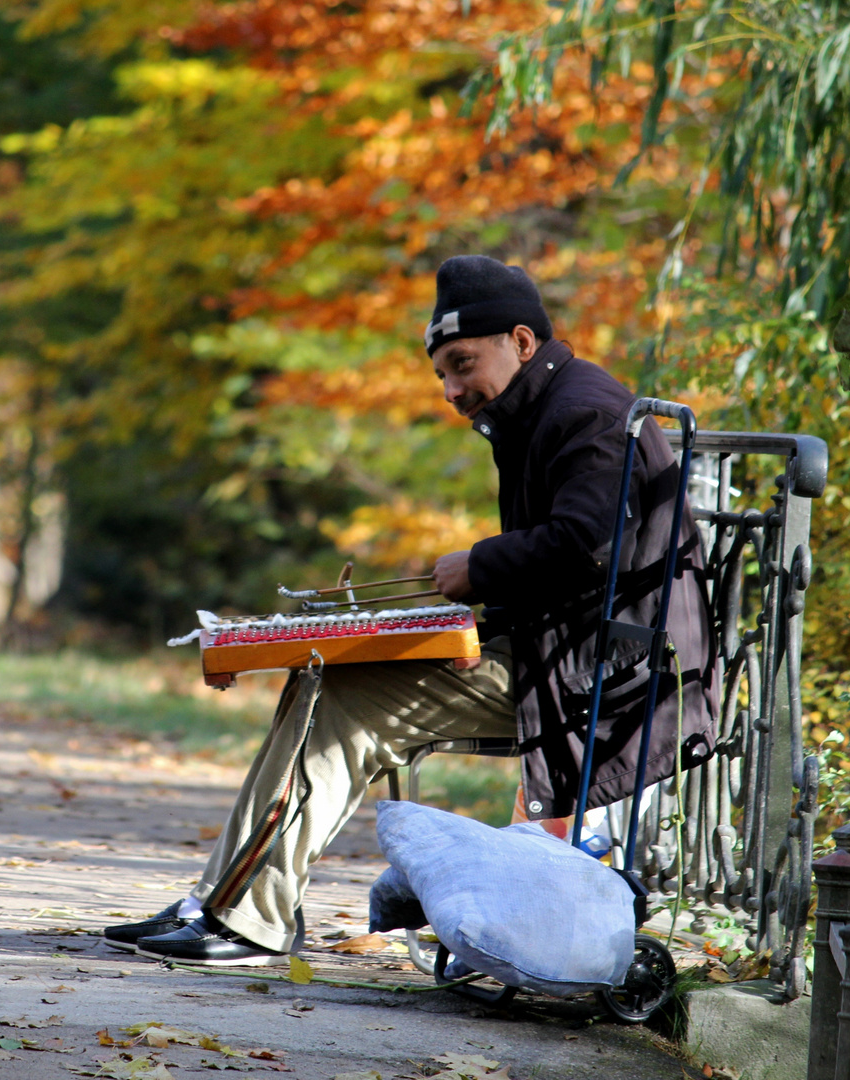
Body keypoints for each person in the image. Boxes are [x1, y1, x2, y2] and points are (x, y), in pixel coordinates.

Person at [104, 255, 718, 966]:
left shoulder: (584, 411)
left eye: (463, 364)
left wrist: (479, 565)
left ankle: (244, 918)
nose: (454, 390)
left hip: (603, 682)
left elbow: (588, 544)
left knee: (347, 696)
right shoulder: (543, 408)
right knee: (320, 672)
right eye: (442, 375)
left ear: (522, 341)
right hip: (562, 656)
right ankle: (223, 900)